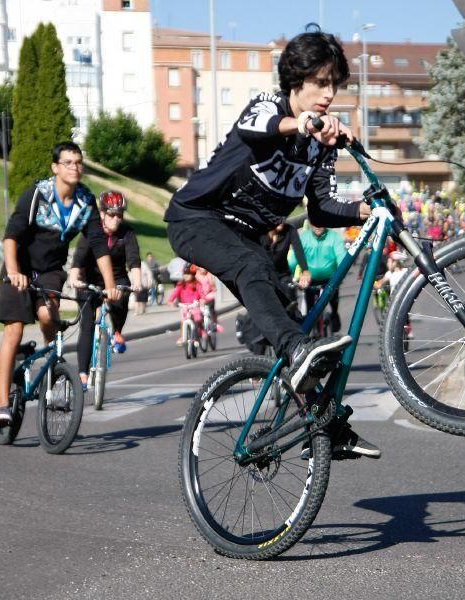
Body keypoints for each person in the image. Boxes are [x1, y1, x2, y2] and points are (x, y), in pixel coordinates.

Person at [164, 24, 379, 459]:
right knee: (255, 270)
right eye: (320, 82)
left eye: (333, 84)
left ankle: (325, 422)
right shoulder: (269, 106)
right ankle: (296, 353)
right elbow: (259, 129)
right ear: (295, 81)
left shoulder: (319, 147)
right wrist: (300, 124)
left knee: (291, 322)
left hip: (242, 236)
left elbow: (321, 209)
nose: (328, 93)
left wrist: (363, 209)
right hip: (196, 217)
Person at [0, 142, 119, 427]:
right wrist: (14, 272)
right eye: (68, 162)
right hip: (20, 268)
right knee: (14, 329)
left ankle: (52, 368)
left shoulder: (85, 201)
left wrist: (110, 286)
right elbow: (11, 236)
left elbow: (99, 245)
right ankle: (2, 404)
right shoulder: (39, 194)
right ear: (55, 167)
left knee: (49, 316)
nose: (74, 167)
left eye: (78, 162)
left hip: (49, 270)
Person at [69, 190, 142, 389]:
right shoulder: (92, 231)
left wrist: (137, 282)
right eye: (112, 214)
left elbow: (134, 260)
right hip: (89, 278)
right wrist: (74, 276)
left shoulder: (127, 233)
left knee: (122, 296)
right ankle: (82, 374)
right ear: (102, 214)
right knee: (87, 324)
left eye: (120, 215)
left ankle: (117, 331)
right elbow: (80, 256)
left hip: (116, 277)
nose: (116, 219)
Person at [290, 224, 347, 332]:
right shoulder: (304, 237)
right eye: (314, 223)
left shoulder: (334, 237)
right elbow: (294, 259)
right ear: (310, 224)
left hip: (330, 279)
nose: (318, 226)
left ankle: (334, 314)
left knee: (333, 300)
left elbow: (342, 257)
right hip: (310, 280)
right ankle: (312, 332)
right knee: (309, 308)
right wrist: (295, 276)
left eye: (321, 222)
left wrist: (340, 276)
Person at [167, 264, 211, 345]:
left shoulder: (197, 284)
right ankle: (182, 336)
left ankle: (201, 330)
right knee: (183, 320)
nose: (186, 276)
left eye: (188, 275)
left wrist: (203, 299)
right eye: (185, 274)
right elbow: (175, 293)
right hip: (185, 306)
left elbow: (201, 293)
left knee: (197, 317)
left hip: (194, 305)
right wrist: (170, 301)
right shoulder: (181, 284)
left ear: (193, 275)